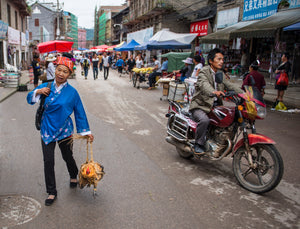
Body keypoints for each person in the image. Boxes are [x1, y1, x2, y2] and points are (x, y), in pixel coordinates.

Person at [27, 55, 94, 206]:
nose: (61, 74)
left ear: (69, 74)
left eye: (65, 71)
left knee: (67, 156)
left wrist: (86, 132)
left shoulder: (72, 93)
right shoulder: (46, 86)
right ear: (54, 69)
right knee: (48, 161)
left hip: (64, 130)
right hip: (47, 129)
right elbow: (30, 98)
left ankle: (73, 174)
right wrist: (38, 92)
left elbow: (80, 113)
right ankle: (51, 191)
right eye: (59, 70)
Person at [189, 48, 243, 154]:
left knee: (232, 117)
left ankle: (221, 141)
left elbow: (230, 85)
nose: (221, 62)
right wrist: (214, 92)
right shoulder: (204, 71)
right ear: (211, 61)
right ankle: (198, 143)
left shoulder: (220, 74)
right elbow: (204, 84)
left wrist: (244, 93)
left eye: (222, 59)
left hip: (215, 105)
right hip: (200, 105)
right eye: (219, 59)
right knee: (204, 120)